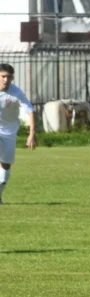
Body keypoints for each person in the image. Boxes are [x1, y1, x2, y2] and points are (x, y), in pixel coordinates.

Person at [0, 63, 37, 204]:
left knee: (5, 168)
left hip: (9, 132)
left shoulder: (16, 92)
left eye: (9, 77)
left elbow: (30, 110)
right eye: (3, 76)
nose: (6, 80)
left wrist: (32, 134)